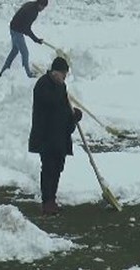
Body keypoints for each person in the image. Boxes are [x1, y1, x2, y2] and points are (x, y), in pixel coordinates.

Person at [28, 57, 83, 215]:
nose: (64, 77)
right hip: (46, 136)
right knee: (48, 169)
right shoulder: (43, 85)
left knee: (58, 168)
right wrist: (60, 90)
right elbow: (50, 103)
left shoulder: (61, 86)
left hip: (59, 137)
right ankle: (47, 202)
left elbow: (63, 110)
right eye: (62, 74)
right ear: (55, 72)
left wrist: (74, 116)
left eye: (65, 75)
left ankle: (52, 199)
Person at [0, 0, 48, 78]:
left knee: (14, 51)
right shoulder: (32, 12)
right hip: (17, 31)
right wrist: (36, 39)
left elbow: (24, 25)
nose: (43, 9)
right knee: (25, 53)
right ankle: (27, 75)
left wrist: (35, 39)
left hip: (13, 28)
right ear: (39, 4)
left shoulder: (30, 4)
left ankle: (3, 72)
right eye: (43, 7)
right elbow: (26, 28)